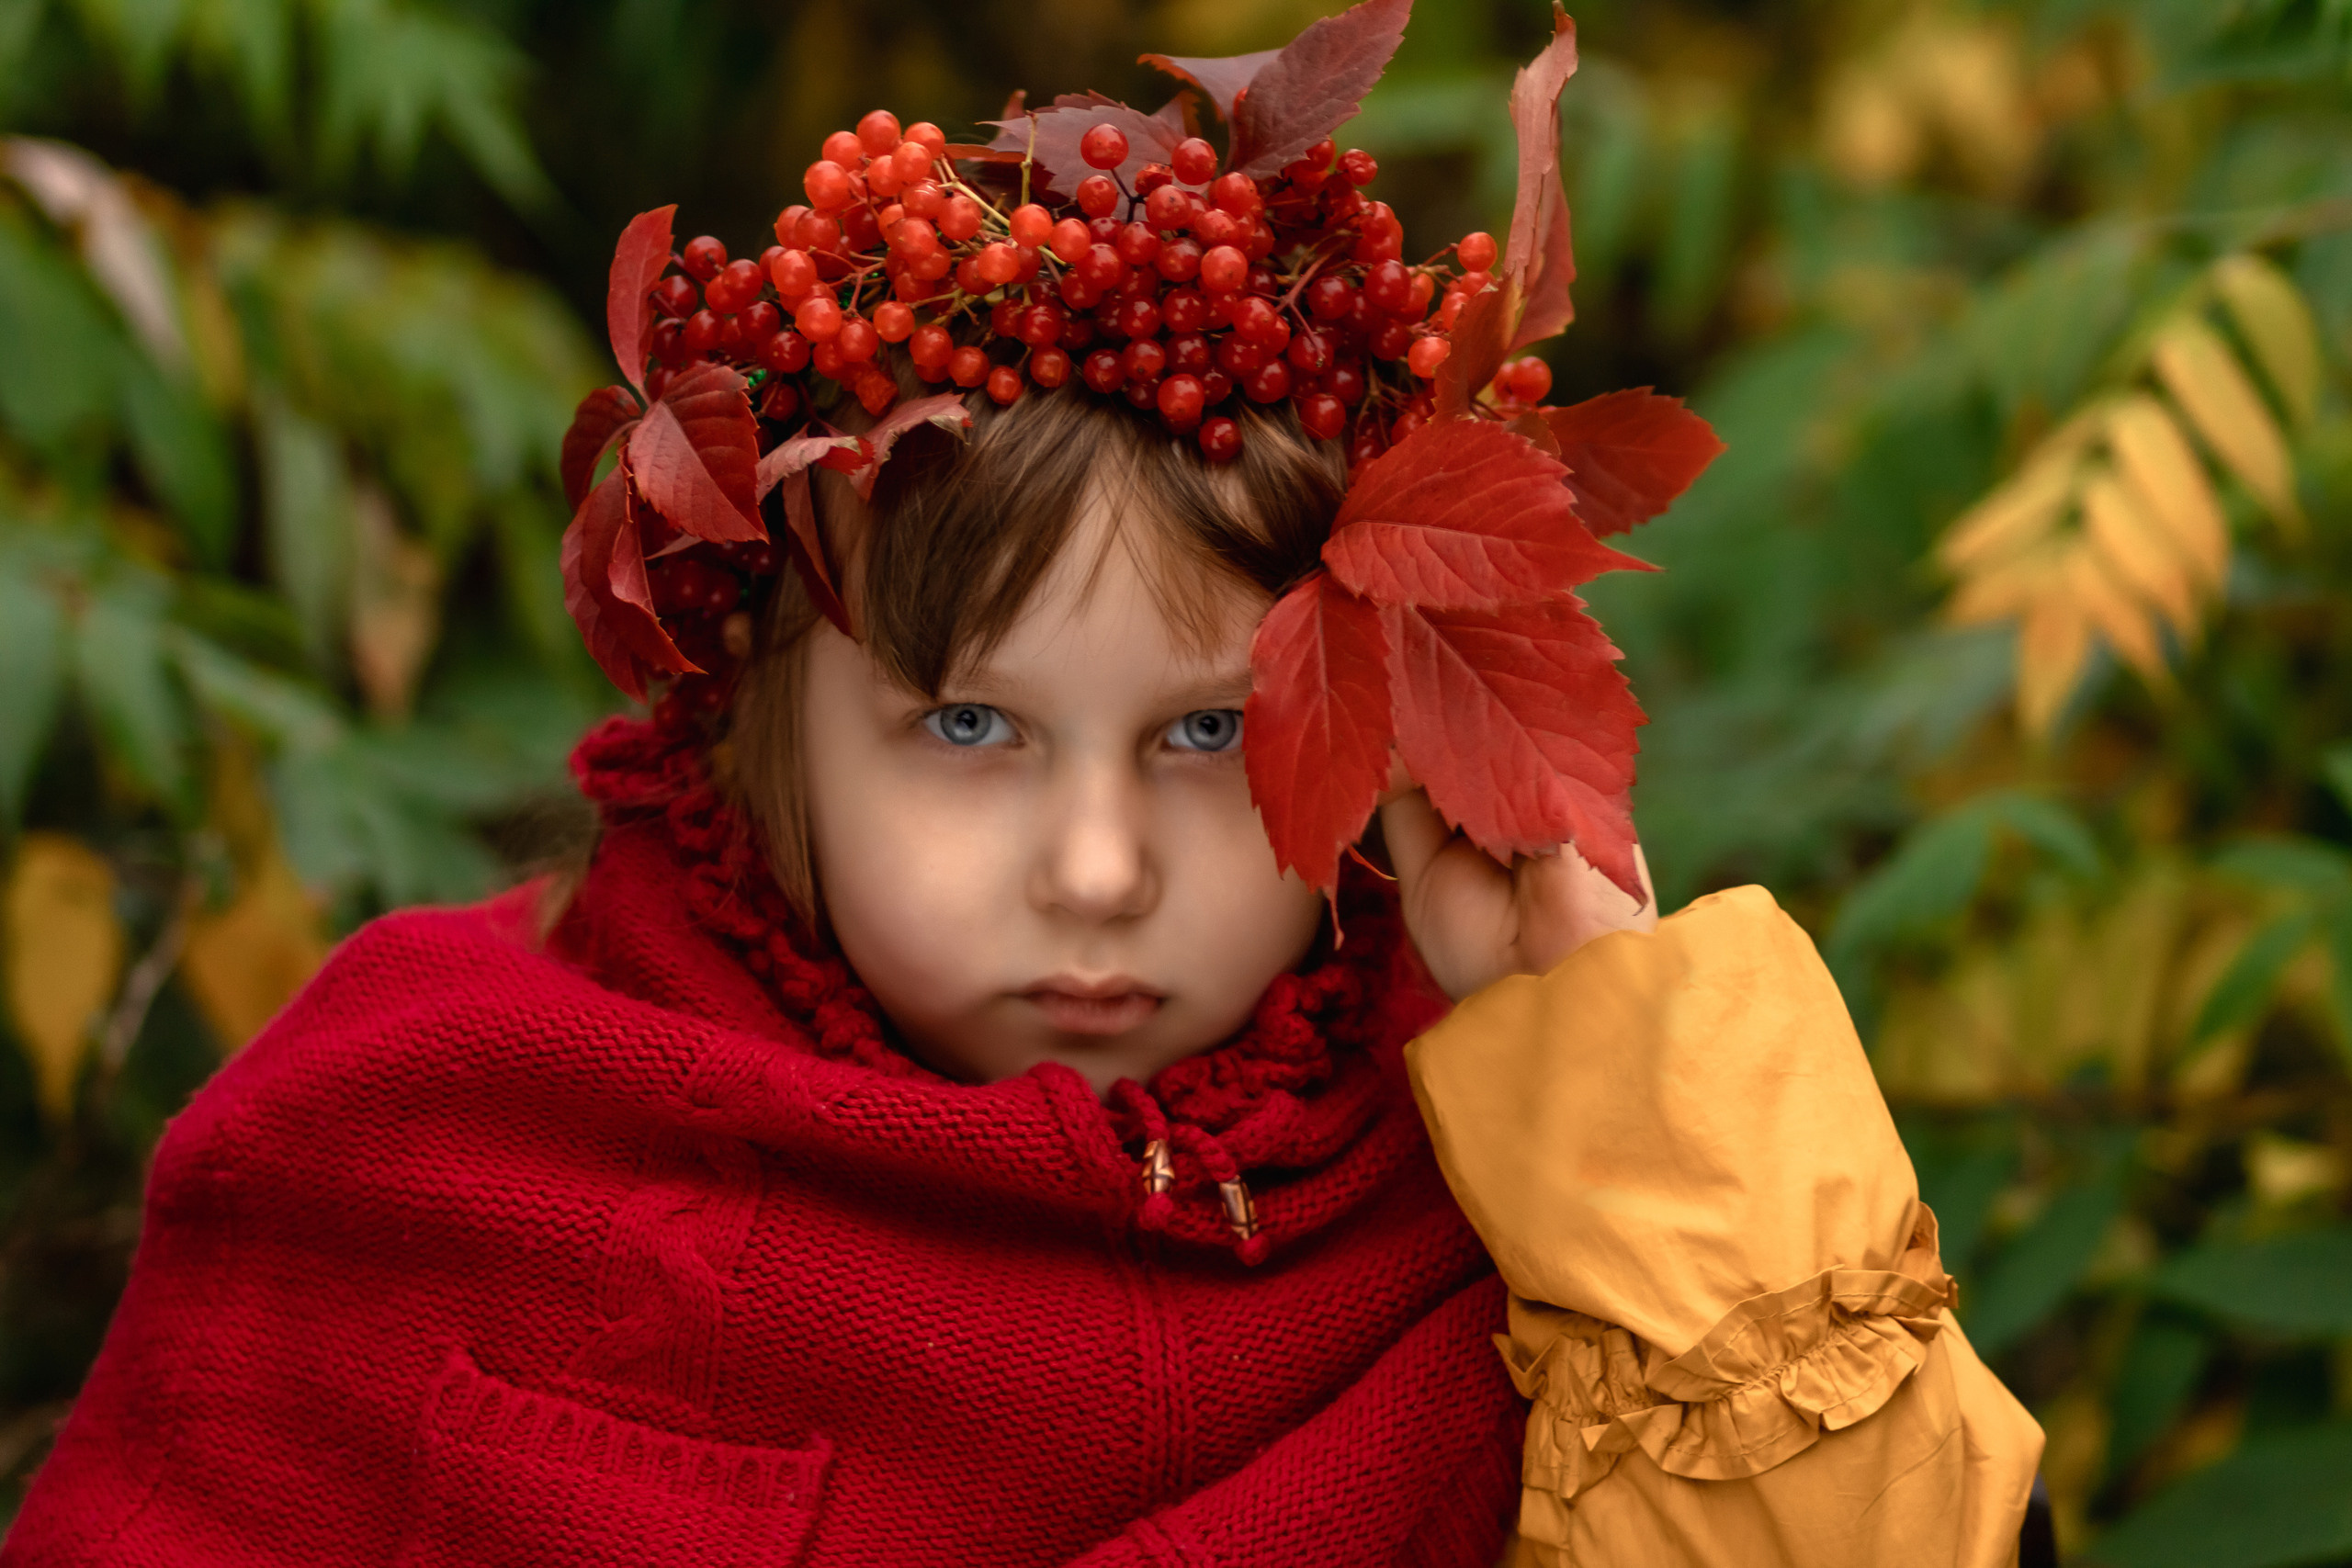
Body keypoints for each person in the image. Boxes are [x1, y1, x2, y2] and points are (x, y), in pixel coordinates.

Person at [4, 5, 2044, 1564]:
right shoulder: (440, 1123)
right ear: (756, 701)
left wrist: (1593, 1025)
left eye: (1211, 732)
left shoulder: (1510, 1179)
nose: (1094, 871)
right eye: (967, 726)